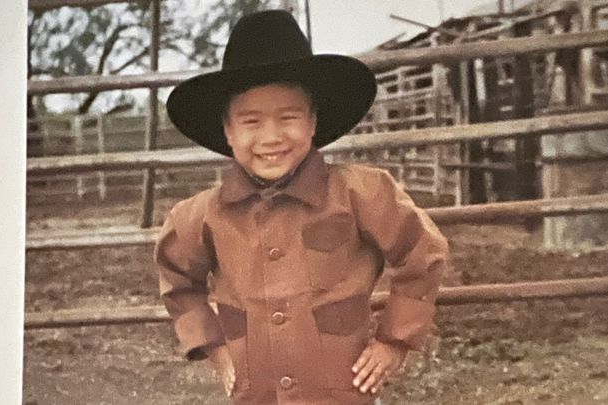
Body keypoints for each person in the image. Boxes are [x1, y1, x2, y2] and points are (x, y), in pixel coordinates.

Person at [155, 9, 449, 405]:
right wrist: (214, 347)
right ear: (228, 131)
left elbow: (423, 254)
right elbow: (178, 280)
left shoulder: (362, 192)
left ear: (313, 122)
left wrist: (393, 342)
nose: (272, 136)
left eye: (288, 117)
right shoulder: (200, 216)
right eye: (251, 121)